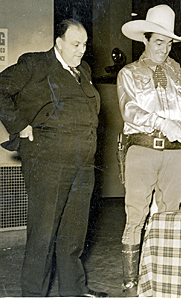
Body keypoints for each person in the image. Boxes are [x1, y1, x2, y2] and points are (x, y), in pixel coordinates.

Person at [0, 19, 107, 297]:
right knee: (43, 237)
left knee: (73, 235)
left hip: (82, 164)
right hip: (48, 163)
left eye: (84, 45)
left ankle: (73, 290)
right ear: (59, 43)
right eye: (75, 44)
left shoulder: (82, 69)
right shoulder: (35, 64)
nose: (81, 50)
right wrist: (19, 125)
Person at [117, 4, 181, 296]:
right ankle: (130, 285)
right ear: (146, 41)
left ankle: (165, 279)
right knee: (136, 217)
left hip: (175, 155)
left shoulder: (179, 74)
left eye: (168, 44)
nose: (163, 50)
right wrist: (163, 124)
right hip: (142, 151)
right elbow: (130, 111)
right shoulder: (129, 73)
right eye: (158, 42)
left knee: (171, 215)